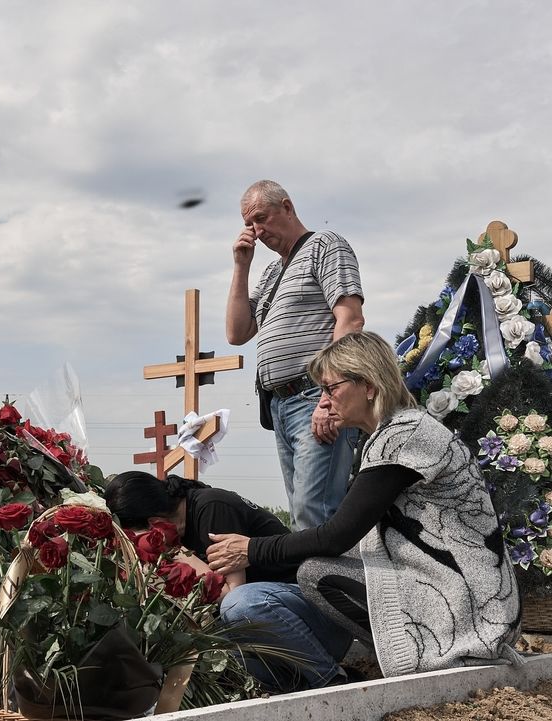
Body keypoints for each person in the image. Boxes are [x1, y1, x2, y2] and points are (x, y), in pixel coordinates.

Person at [206, 332, 521, 678]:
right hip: (467, 593)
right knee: (287, 585)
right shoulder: (392, 433)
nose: (323, 402)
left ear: (368, 385)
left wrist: (251, 550)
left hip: (471, 605)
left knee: (317, 573)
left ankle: (427, 655)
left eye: (331, 388)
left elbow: (337, 535)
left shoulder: (404, 435)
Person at [104, 470, 353, 691]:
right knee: (201, 659)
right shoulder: (183, 525)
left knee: (238, 604)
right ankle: (296, 685)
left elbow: (232, 595)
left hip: (315, 623)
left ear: (153, 524)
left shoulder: (212, 508)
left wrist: (176, 552)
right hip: (278, 637)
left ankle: (330, 679)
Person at [225, 179, 365, 530]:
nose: (257, 231)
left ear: (286, 207)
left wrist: (329, 397)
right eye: (249, 224)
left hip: (314, 396)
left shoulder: (325, 245)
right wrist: (241, 266)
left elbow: (350, 320)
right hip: (280, 405)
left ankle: (325, 571)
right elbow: (236, 333)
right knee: (304, 514)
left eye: (261, 218)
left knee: (314, 511)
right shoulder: (272, 272)